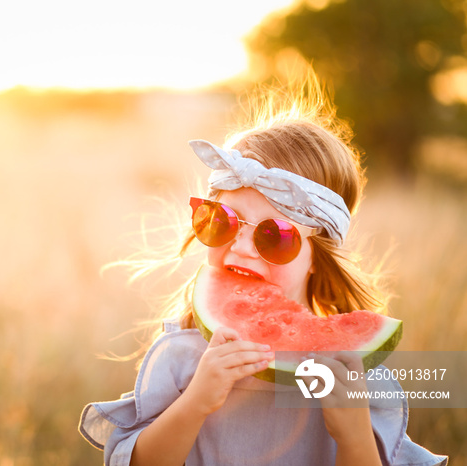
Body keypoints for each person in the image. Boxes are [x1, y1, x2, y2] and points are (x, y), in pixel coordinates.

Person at [79, 76, 447, 465]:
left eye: (275, 236)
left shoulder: (351, 374)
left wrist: (354, 434)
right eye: (221, 221)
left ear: (317, 258)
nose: (239, 247)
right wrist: (195, 404)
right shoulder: (183, 359)